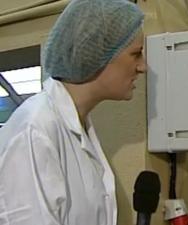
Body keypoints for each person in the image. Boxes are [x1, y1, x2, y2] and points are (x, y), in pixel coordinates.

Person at [0, 0, 145, 224]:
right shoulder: (34, 130)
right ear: (98, 51)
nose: (143, 66)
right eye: (136, 54)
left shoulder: (77, 126)